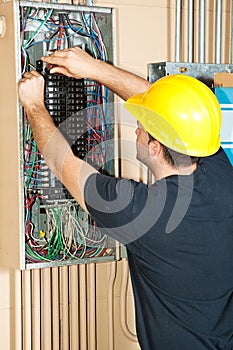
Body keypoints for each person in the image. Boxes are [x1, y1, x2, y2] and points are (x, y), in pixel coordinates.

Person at [18, 47, 233, 350]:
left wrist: (34, 105)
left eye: (142, 127)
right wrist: (92, 68)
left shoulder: (142, 213)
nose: (136, 129)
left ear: (155, 147)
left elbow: (61, 162)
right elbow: (167, 106)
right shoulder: (222, 177)